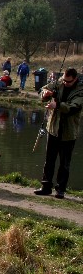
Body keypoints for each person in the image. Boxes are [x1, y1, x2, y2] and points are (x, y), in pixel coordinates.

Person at [34, 68, 83, 199]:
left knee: (64, 164)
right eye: (64, 80)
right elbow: (41, 89)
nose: (65, 83)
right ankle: (45, 187)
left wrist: (57, 105)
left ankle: (60, 189)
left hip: (68, 132)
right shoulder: (58, 82)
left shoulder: (80, 91)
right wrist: (46, 94)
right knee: (49, 160)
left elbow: (73, 108)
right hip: (53, 129)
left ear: (75, 79)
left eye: (68, 82)